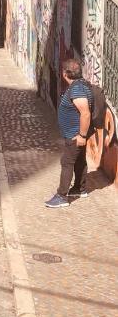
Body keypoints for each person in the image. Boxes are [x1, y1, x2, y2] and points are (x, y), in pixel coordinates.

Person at [45, 58, 93, 208]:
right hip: (76, 134)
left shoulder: (77, 89)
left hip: (75, 134)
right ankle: (80, 188)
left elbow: (85, 113)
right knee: (79, 160)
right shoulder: (81, 85)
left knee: (67, 163)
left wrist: (81, 136)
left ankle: (61, 196)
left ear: (65, 73)